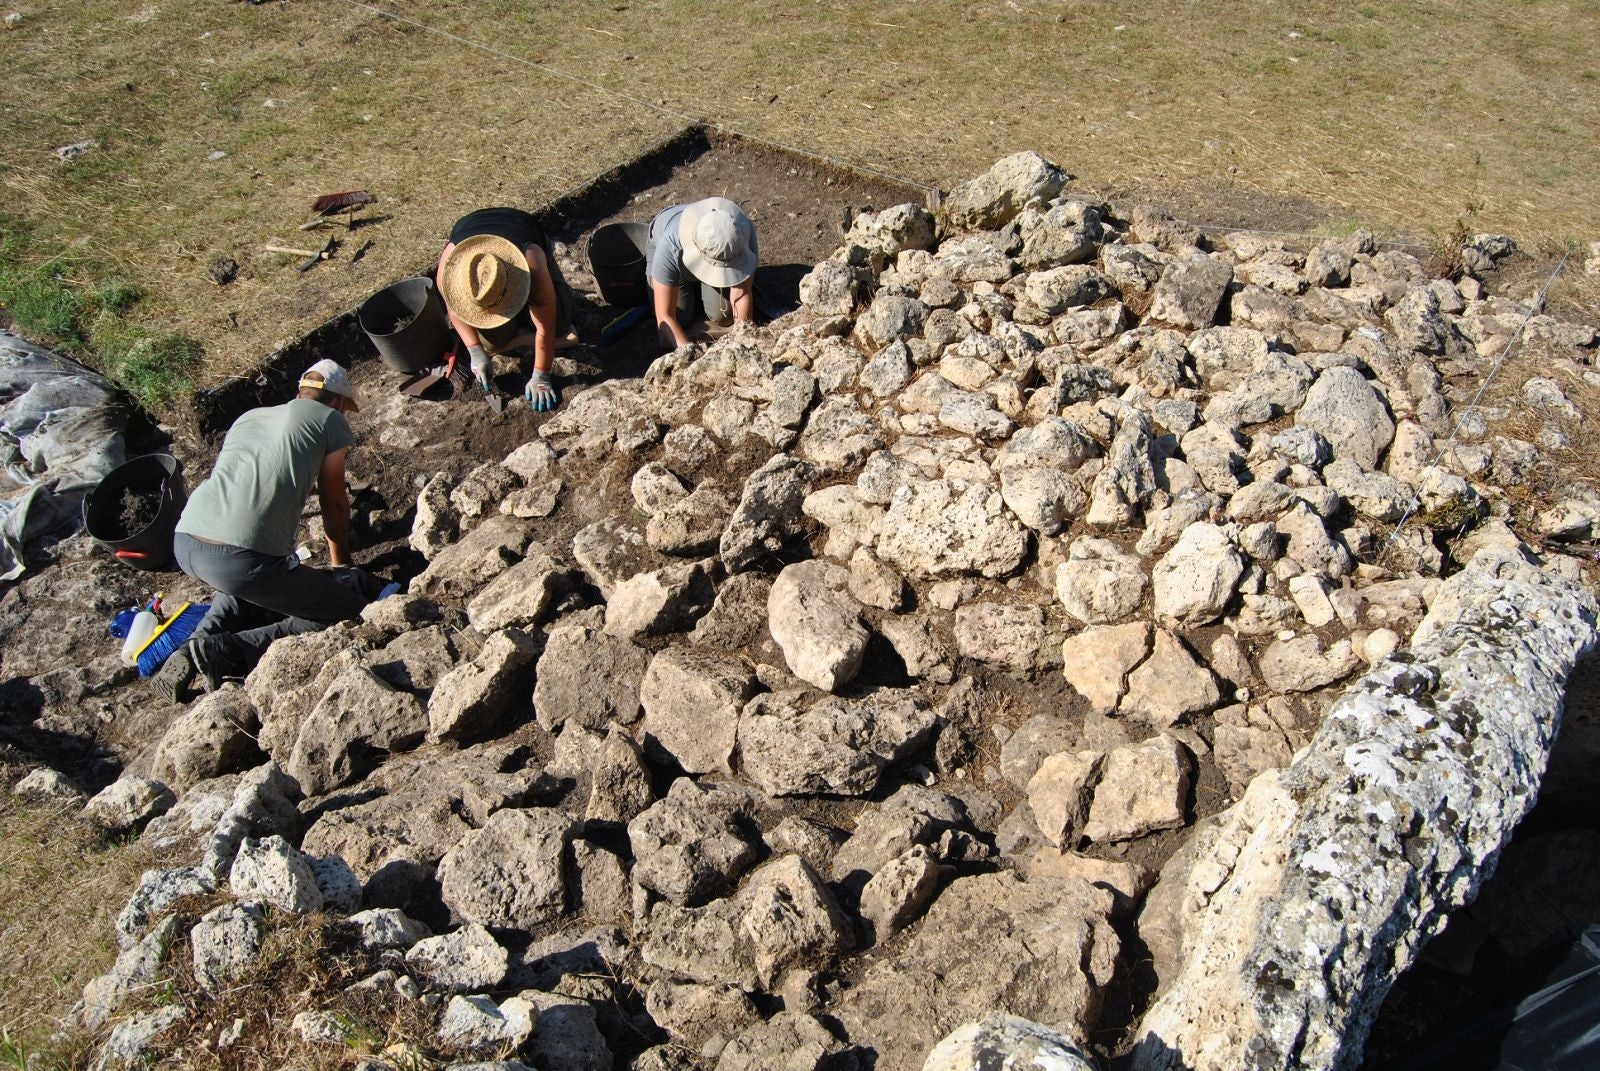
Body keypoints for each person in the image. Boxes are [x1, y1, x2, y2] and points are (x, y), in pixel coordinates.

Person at [153, 360, 376, 698]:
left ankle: (189, 650)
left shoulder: (249, 418)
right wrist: (341, 566)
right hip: (242, 558)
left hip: (187, 541)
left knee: (247, 589)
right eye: (346, 408)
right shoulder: (330, 420)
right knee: (343, 613)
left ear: (299, 393)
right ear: (340, 403)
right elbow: (334, 502)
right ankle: (226, 652)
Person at [437, 207, 574, 411]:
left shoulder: (532, 263)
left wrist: (541, 375)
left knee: (561, 323)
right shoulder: (450, 273)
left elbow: (546, 328)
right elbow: (453, 309)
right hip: (470, 226)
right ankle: (517, 324)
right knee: (492, 342)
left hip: (522, 232)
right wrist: (475, 351)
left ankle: (526, 315)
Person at [644, 196, 758, 350]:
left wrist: (742, 343)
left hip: (710, 243)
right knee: (681, 318)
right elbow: (664, 316)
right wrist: (691, 356)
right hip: (671, 252)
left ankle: (699, 295)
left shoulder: (741, 233)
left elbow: (742, 293)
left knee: (723, 316)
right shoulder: (670, 244)